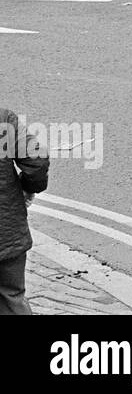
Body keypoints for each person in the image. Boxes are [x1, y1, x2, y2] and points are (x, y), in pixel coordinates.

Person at [0, 105, 50, 315]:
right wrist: (28, 189)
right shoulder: (2, 118)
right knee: (11, 297)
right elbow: (36, 160)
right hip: (5, 232)